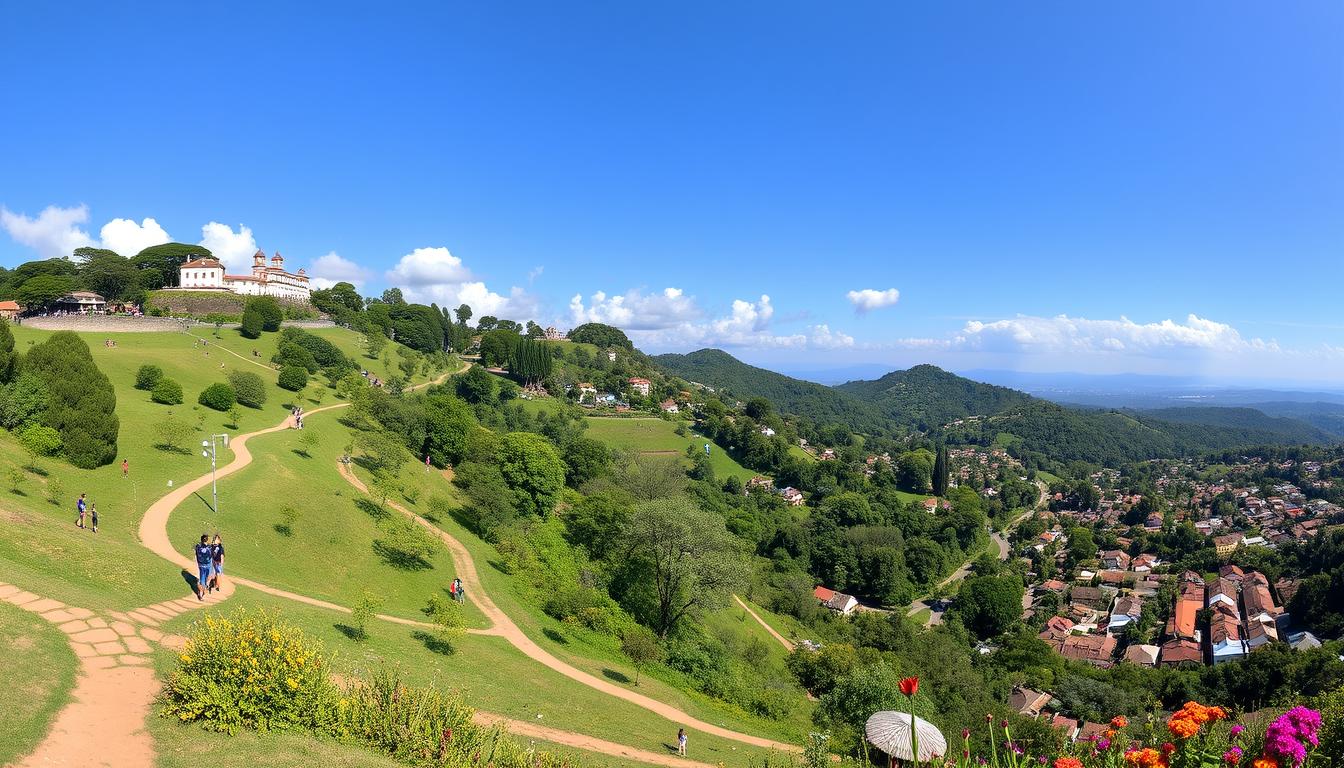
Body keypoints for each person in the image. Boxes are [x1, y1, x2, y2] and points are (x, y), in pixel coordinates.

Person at [193, 534, 214, 600]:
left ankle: (201, 593)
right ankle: (202, 592)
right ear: (207, 540)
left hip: (201, 565)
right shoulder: (209, 548)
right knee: (207, 578)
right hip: (208, 565)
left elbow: (196, 553)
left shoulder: (198, 546)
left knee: (203, 578)